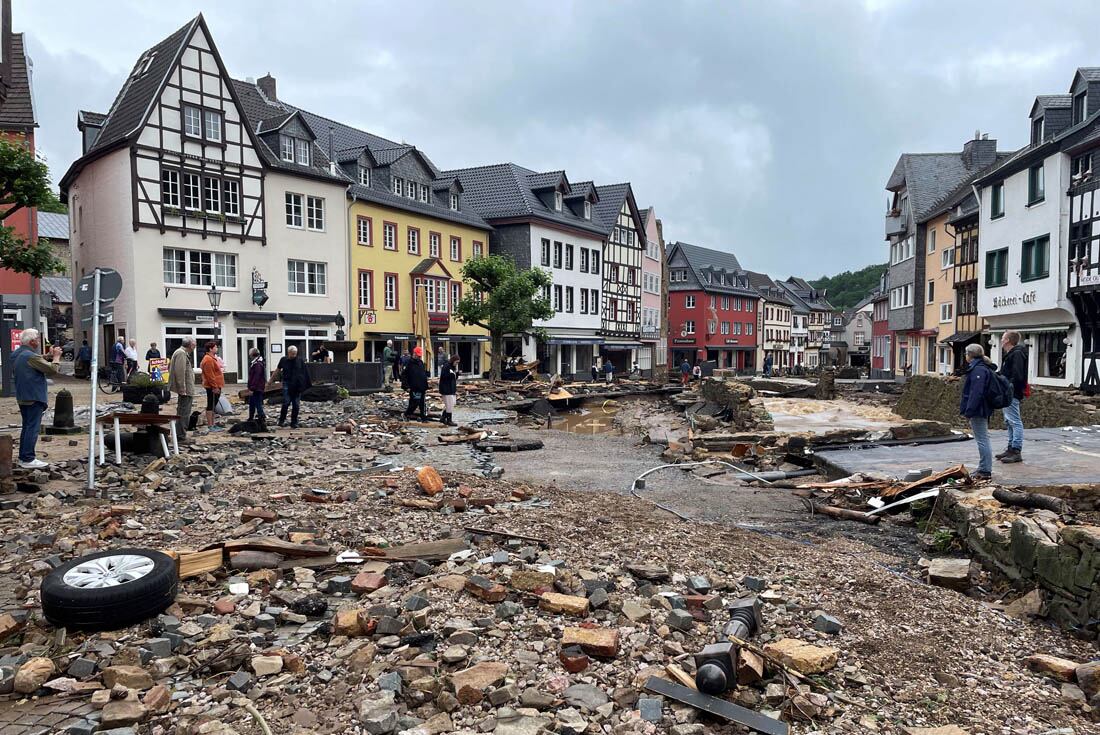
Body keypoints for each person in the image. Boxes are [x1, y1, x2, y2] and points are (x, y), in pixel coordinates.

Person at [11, 329, 62, 469]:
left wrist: (47, 355)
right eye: (37, 340)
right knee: (32, 428)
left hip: (23, 396)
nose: (39, 342)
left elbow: (35, 359)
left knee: (27, 427)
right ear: (32, 341)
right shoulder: (30, 356)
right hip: (34, 396)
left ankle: (24, 457)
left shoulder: (17, 354)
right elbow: (53, 370)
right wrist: (56, 357)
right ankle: (28, 458)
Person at [959, 343, 995, 481]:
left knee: (982, 439)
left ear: (970, 355)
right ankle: (984, 467)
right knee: (983, 438)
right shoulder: (982, 367)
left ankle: (985, 469)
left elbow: (976, 393)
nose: (965, 356)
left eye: (966, 353)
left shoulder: (978, 370)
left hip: (979, 409)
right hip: (983, 408)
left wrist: (969, 410)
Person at [997, 331, 1028, 464]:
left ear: (1008, 340)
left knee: (1014, 421)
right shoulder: (1012, 354)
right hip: (1008, 391)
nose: (1001, 341)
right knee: (1009, 421)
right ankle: (1010, 448)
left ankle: (1016, 449)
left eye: (1003, 338)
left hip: (1012, 392)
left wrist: (1009, 386)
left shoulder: (1017, 354)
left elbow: (1018, 374)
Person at [275, 345, 311, 428]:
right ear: (289, 353)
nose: (294, 355)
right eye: (292, 354)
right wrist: (270, 381)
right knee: (286, 402)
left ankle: (294, 422)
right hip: (287, 383)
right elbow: (278, 370)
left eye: (295, 354)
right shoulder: (283, 360)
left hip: (297, 385)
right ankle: (281, 420)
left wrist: (305, 384)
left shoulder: (300, 360)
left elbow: (305, 373)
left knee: (296, 404)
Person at [168, 337, 196, 443]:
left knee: (181, 411)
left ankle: (178, 434)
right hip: (186, 389)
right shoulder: (181, 353)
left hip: (186, 388)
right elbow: (180, 372)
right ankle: (180, 436)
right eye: (194, 344)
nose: (195, 346)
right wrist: (182, 388)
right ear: (190, 345)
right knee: (184, 412)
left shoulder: (180, 352)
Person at [200, 341, 224, 430]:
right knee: (211, 405)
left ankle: (212, 423)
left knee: (213, 405)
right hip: (212, 386)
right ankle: (210, 425)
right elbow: (210, 375)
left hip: (215, 385)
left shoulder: (212, 358)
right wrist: (214, 386)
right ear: (210, 349)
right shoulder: (208, 359)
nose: (217, 348)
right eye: (215, 347)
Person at [403, 346, 429, 421]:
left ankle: (423, 417)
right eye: (418, 355)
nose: (419, 356)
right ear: (414, 354)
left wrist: (426, 384)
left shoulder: (420, 362)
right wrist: (406, 386)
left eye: (420, 355)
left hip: (422, 386)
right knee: (415, 402)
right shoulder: (409, 362)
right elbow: (404, 375)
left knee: (422, 402)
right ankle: (406, 414)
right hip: (414, 386)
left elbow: (422, 373)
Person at [246, 347, 268, 430]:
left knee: (257, 403)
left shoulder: (257, 364)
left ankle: (261, 418)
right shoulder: (257, 362)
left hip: (257, 388)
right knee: (252, 403)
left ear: (252, 354)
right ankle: (251, 418)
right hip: (257, 387)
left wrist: (252, 387)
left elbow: (256, 377)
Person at [439, 353, 461, 426]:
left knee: (452, 403)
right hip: (446, 388)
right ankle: (449, 420)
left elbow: (454, 378)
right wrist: (452, 374)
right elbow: (444, 376)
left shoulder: (453, 367)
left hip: (451, 388)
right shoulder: (446, 366)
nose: (457, 364)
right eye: (456, 362)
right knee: (449, 404)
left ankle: (443, 417)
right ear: (453, 360)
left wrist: (457, 374)